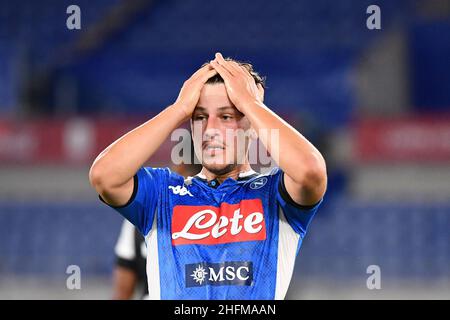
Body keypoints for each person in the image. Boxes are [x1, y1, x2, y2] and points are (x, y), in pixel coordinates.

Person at [89, 53, 327, 299]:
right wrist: (179, 109)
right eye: (200, 117)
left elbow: (311, 171)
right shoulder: (161, 195)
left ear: (254, 126)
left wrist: (251, 104)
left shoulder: (275, 196)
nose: (210, 130)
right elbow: (104, 175)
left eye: (226, 116)